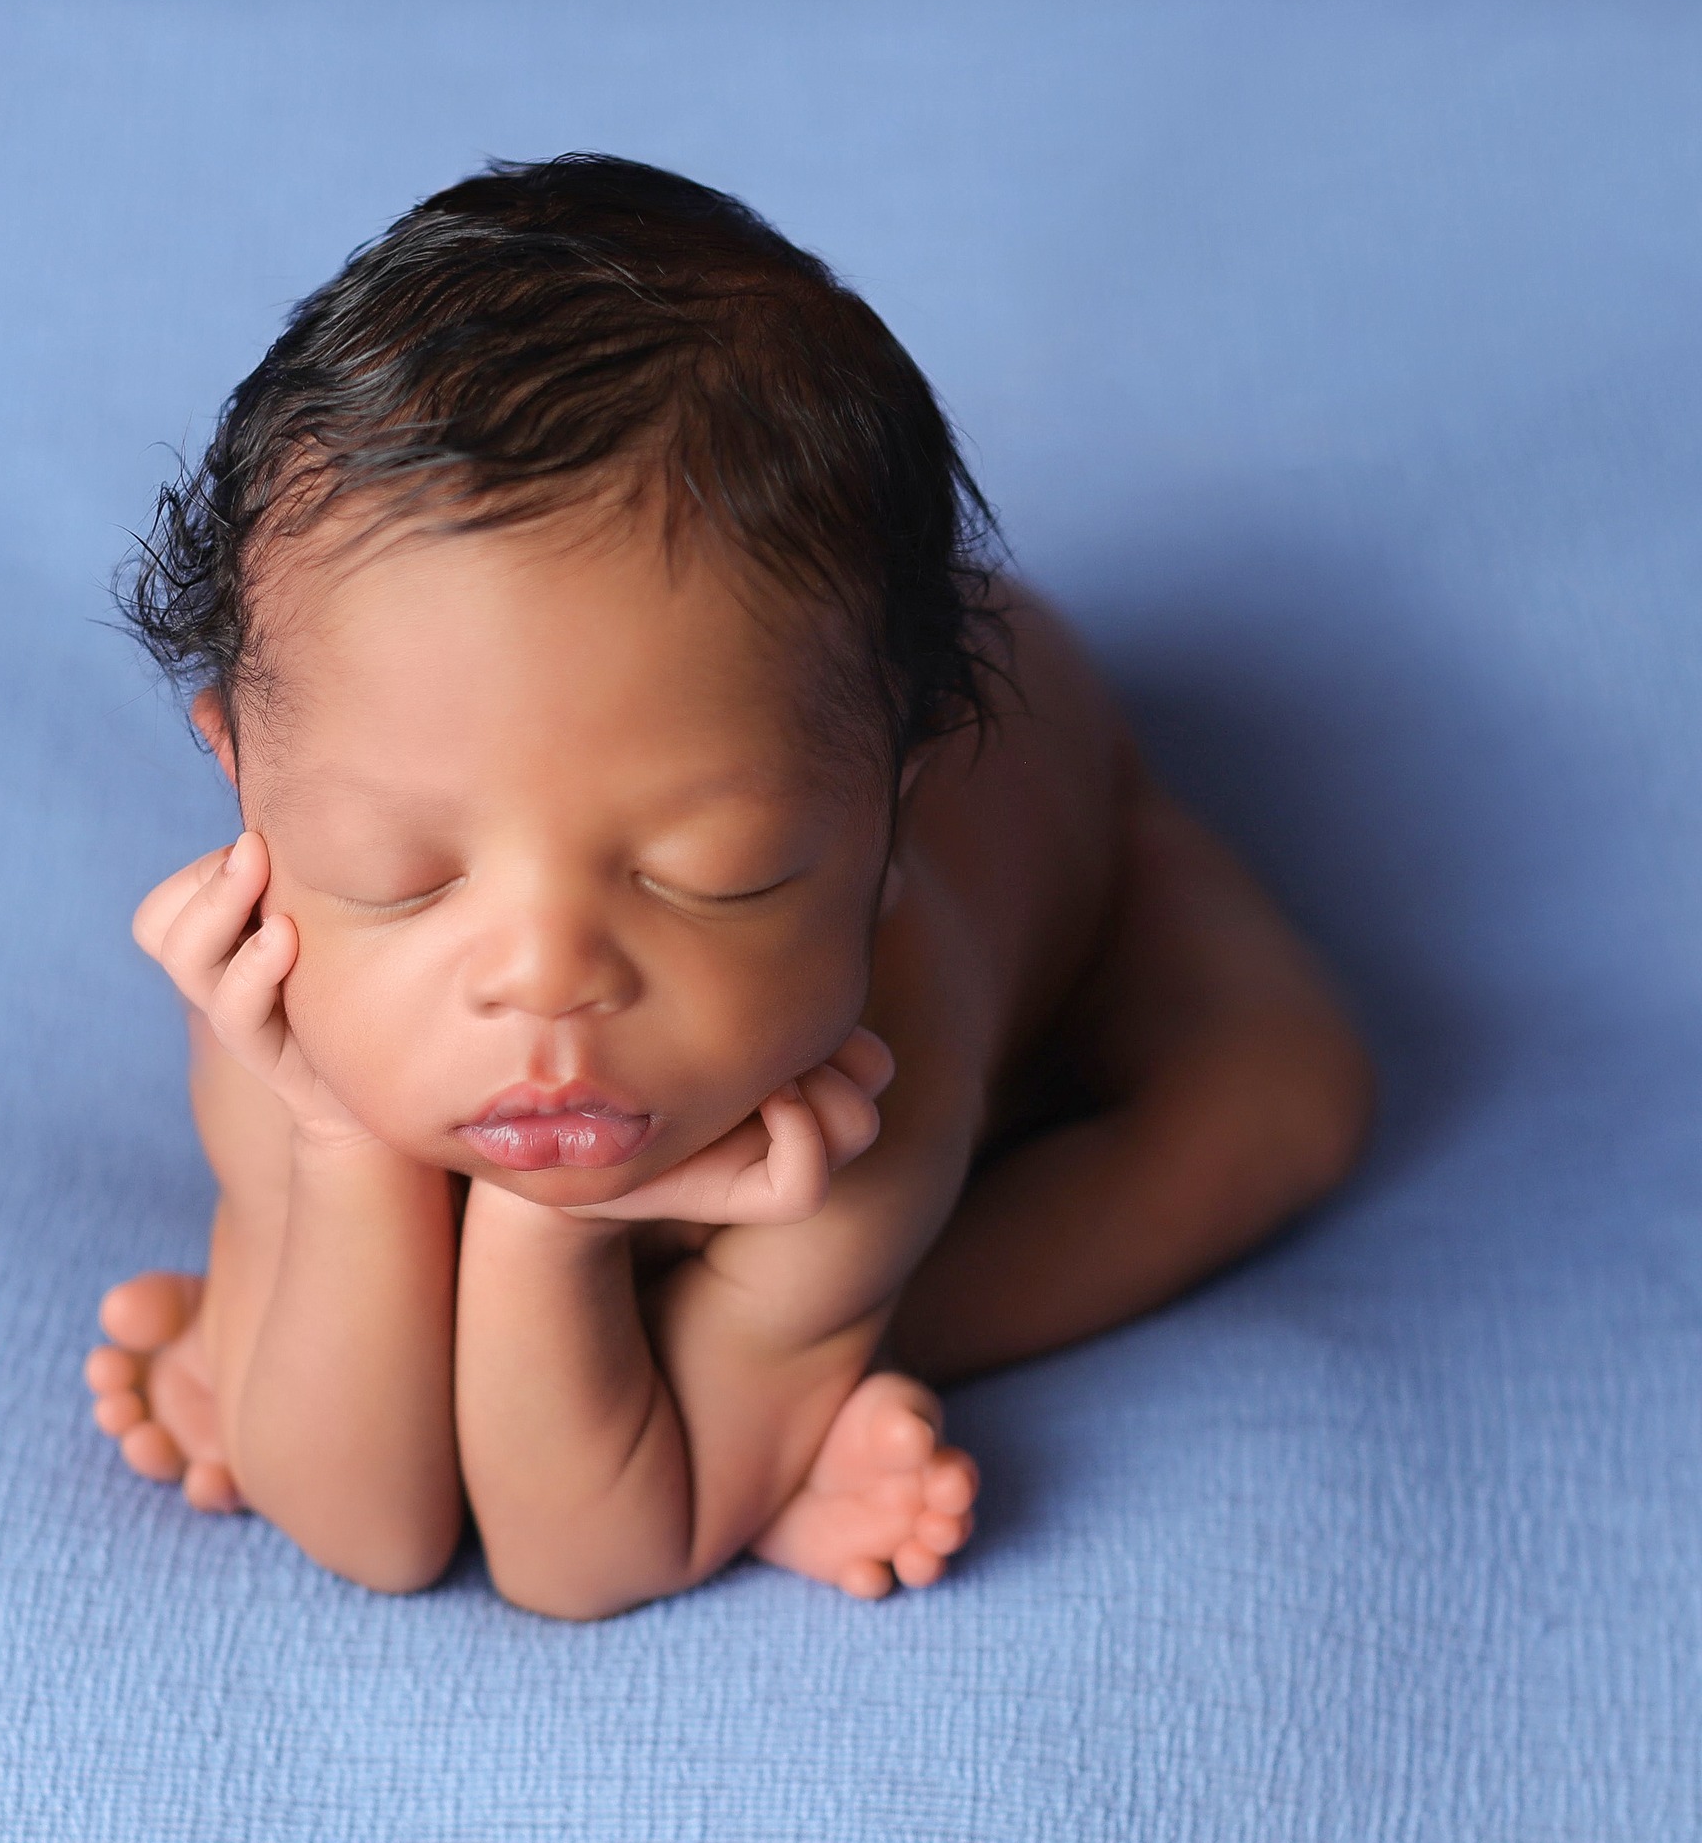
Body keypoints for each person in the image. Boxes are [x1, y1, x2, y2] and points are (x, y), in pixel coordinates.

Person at [82, 154, 1373, 1620]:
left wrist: (553, 1236)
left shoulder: (871, 1076)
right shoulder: (288, 998)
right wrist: (334, 1147)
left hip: (1084, 816)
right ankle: (739, 1378)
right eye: (404, 874)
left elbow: (586, 1562)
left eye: (712, 875)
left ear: (884, 830)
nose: (541, 975)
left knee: (1287, 1097)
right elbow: (366, 1530)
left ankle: (829, 1355)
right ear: (246, 792)